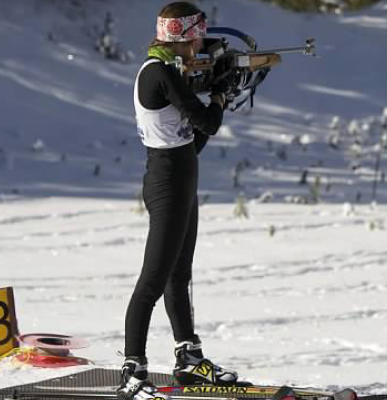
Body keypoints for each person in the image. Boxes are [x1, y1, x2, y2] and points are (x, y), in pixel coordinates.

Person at [118, 3, 238, 400]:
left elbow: (193, 142)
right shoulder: (159, 73)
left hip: (181, 178)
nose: (202, 41)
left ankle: (188, 357)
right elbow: (208, 123)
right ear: (185, 35)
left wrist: (225, 91)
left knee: (178, 276)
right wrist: (220, 94)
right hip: (167, 184)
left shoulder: (170, 72)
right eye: (198, 34)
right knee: (152, 280)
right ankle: (133, 371)